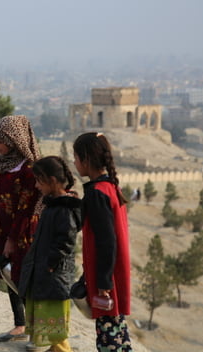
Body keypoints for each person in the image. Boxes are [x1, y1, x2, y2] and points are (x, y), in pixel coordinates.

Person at [0, 115, 43, 343]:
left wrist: (11, 239)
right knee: (7, 272)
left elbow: (26, 209)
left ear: (14, 140)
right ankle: (20, 324)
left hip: (24, 232)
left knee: (22, 277)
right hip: (5, 228)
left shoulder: (30, 170)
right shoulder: (4, 164)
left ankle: (36, 328)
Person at [72, 132, 133, 352]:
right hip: (112, 273)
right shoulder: (110, 187)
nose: (74, 162)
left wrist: (104, 281)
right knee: (117, 332)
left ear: (86, 160)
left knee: (108, 338)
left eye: (76, 157)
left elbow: (107, 241)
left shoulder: (97, 193)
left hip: (108, 278)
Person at [18, 156, 81, 352]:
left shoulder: (63, 209)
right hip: (47, 275)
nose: (36, 185)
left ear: (52, 181)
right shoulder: (53, 205)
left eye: (39, 180)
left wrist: (49, 264)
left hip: (54, 277)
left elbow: (65, 241)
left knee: (56, 330)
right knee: (48, 323)